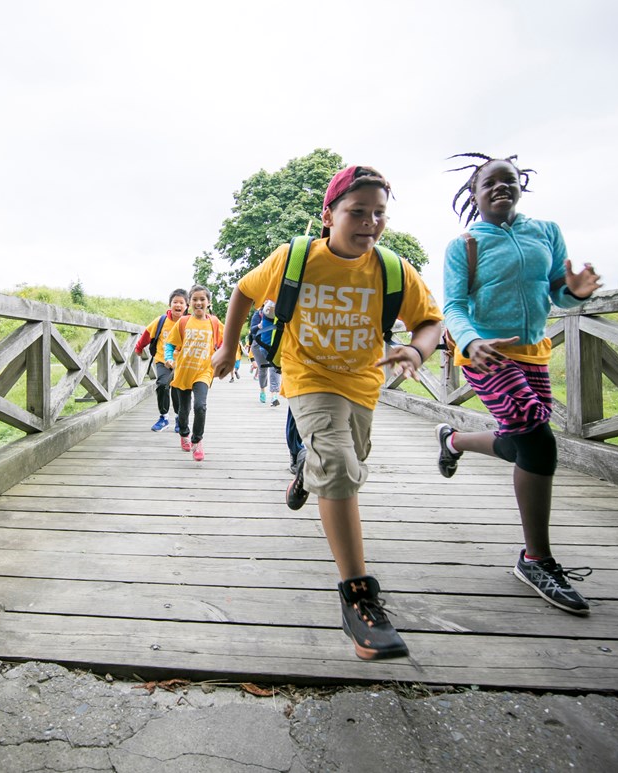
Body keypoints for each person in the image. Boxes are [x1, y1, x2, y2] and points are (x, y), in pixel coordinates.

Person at [212, 165, 443, 661]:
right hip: (308, 378)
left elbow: (430, 321)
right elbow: (243, 292)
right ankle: (359, 599)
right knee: (339, 468)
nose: (370, 222)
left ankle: (304, 471)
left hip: (362, 385)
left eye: (379, 212)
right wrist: (229, 348)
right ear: (329, 214)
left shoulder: (393, 270)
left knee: (347, 466)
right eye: (357, 212)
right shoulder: (295, 258)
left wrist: (417, 352)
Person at [435, 152, 603, 615]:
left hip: (532, 351)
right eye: (490, 183)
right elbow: (453, 305)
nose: (500, 188)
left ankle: (454, 440)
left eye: (509, 181)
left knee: (524, 437)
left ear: (520, 187)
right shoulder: (465, 244)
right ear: (474, 193)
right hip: (485, 353)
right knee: (537, 439)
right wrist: (470, 341)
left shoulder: (545, 231)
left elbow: (556, 289)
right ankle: (536, 559)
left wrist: (577, 292)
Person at [166, 285, 223, 462]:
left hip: (203, 372)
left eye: (202, 299)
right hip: (183, 371)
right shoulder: (183, 322)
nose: (198, 302)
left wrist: (226, 362)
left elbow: (224, 344)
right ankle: (184, 433)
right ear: (189, 303)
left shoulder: (214, 323)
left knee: (200, 406)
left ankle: (197, 441)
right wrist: (169, 358)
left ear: (208, 302)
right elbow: (169, 344)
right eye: (195, 299)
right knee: (183, 410)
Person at [133, 288, 187, 432]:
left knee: (177, 389)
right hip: (162, 359)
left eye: (181, 302)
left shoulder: (188, 322)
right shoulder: (161, 321)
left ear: (186, 306)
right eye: (175, 302)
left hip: (180, 363)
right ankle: (163, 417)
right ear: (170, 305)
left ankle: (178, 418)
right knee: (162, 384)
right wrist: (139, 348)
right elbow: (147, 334)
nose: (178, 305)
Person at [249, 302, 282, 406]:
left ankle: (274, 395)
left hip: (272, 343)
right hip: (258, 344)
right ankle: (262, 390)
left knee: (274, 367)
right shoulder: (258, 314)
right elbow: (252, 330)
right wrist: (259, 326)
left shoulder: (279, 313)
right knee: (263, 369)